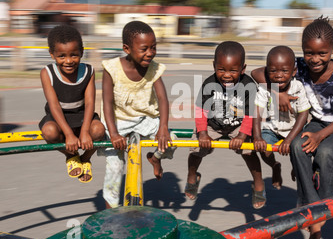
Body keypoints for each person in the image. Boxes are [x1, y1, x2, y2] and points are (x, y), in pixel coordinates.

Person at [251, 16, 333, 239]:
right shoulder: (299, 66)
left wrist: (321, 136)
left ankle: (323, 207)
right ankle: (312, 205)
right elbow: (257, 72)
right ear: (303, 51)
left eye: (322, 53)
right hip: (316, 122)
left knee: (324, 153)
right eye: (309, 53)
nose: (314, 59)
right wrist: (277, 92)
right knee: (296, 145)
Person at [100, 21, 174, 208]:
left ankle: (155, 158)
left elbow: (163, 99)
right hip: (119, 121)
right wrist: (114, 133)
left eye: (154, 47)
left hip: (145, 119)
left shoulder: (154, 68)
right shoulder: (112, 69)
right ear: (127, 48)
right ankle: (110, 209)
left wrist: (163, 127)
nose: (150, 52)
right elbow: (107, 103)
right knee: (114, 167)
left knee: (171, 140)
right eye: (144, 48)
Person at [185, 41, 265, 209]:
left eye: (233, 70)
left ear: (242, 69)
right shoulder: (209, 83)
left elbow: (251, 114)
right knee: (196, 150)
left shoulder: (248, 85)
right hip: (214, 124)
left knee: (249, 152)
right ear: (214, 66)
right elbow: (200, 110)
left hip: (238, 124)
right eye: (221, 69)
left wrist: (242, 135)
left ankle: (258, 183)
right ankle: (192, 175)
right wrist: (202, 133)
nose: (226, 75)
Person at [39, 24, 105, 183]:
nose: (68, 61)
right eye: (62, 56)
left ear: (82, 52)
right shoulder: (47, 73)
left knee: (98, 130)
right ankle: (71, 156)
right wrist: (68, 134)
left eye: (74, 55)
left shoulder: (88, 71)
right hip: (59, 117)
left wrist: (84, 131)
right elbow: (54, 106)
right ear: (52, 54)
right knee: (49, 131)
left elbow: (90, 103)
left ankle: (86, 158)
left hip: (83, 116)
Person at [253, 45, 310, 190]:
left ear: (293, 72)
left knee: (298, 152)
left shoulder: (297, 87)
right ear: (267, 71)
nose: (278, 75)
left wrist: (289, 139)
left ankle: (295, 167)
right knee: (263, 149)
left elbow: (303, 115)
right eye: (273, 71)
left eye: (285, 71)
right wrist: (258, 137)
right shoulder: (265, 88)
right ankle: (275, 166)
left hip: (294, 129)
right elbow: (256, 113)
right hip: (273, 128)